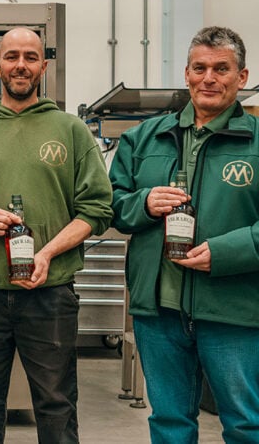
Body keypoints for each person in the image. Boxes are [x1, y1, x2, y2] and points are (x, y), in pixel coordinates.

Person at [0, 27, 112, 444]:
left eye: (31, 57)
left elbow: (97, 209)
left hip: (50, 293)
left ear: (44, 65)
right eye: (12, 56)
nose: (21, 65)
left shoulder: (71, 130)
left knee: (56, 405)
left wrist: (48, 253)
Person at [110, 26, 259, 443]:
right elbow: (112, 205)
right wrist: (143, 203)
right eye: (200, 68)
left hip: (233, 310)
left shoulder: (257, 143)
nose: (209, 78)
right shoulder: (143, 138)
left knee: (245, 424)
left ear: (241, 77)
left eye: (221, 68)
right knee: (170, 423)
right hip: (160, 310)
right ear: (187, 74)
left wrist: (226, 252)